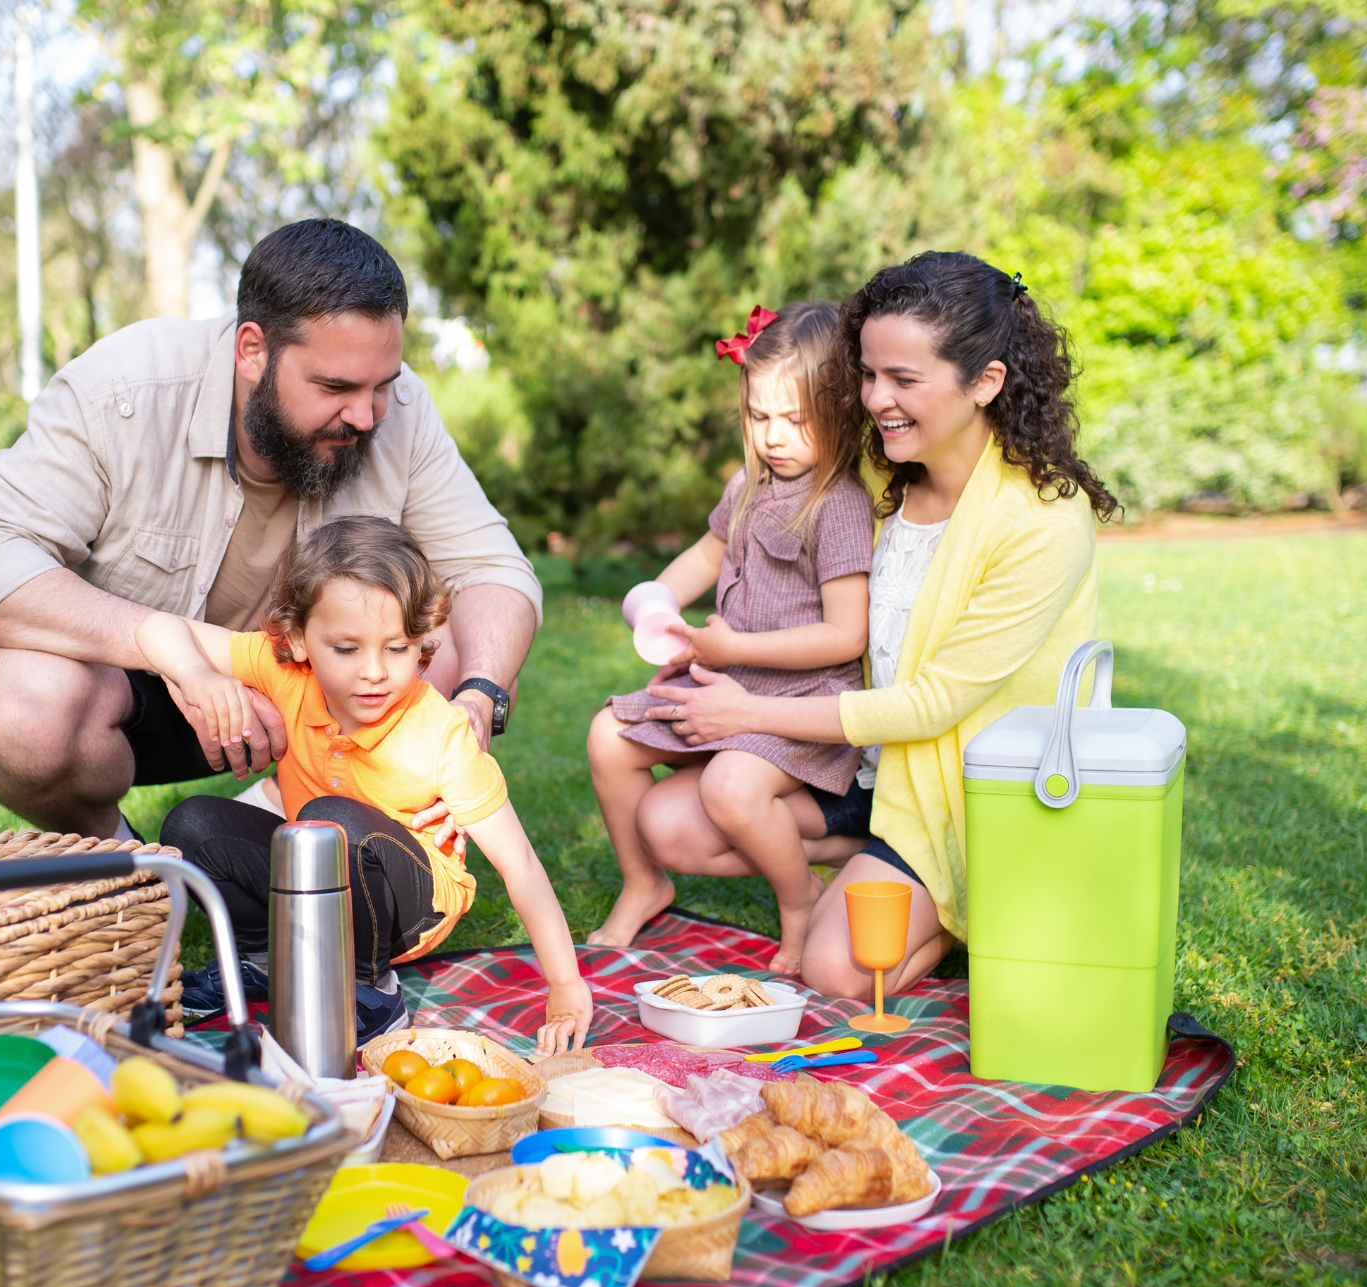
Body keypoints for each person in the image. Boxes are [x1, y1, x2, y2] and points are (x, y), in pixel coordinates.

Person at [0, 220, 542, 842]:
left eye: (382, 385)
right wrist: (164, 647)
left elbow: (494, 571)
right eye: (335, 387)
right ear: (252, 350)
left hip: (309, 691)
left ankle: (294, 818)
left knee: (471, 636)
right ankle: (126, 866)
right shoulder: (124, 387)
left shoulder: (401, 412)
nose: (364, 415)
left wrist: (480, 699)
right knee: (22, 702)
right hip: (130, 685)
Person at [637, 252, 1121, 999]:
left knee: (838, 968)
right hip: (866, 769)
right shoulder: (880, 472)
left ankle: (969, 904)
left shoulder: (1041, 522)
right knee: (667, 823)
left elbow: (933, 704)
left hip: (956, 794)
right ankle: (867, 861)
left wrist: (748, 709)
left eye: (904, 379)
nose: (875, 399)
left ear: (985, 382)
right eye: (867, 374)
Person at [129, 516, 594, 1053]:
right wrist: (196, 674)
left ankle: (369, 988)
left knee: (332, 818)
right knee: (192, 823)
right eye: (347, 649)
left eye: (397, 648)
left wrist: (566, 985)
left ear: (422, 641)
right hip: (321, 876)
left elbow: (521, 864)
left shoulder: (439, 734)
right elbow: (157, 629)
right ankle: (260, 958)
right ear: (299, 640)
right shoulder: (285, 672)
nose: (374, 672)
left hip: (407, 908)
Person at [584, 302, 874, 973]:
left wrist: (732, 649)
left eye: (796, 420)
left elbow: (845, 633)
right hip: (725, 676)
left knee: (732, 789)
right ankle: (644, 882)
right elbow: (709, 554)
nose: (774, 435)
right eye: (759, 415)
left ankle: (799, 898)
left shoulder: (840, 504)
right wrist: (657, 598)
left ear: (840, 413)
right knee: (607, 736)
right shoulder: (749, 485)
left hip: (800, 698)